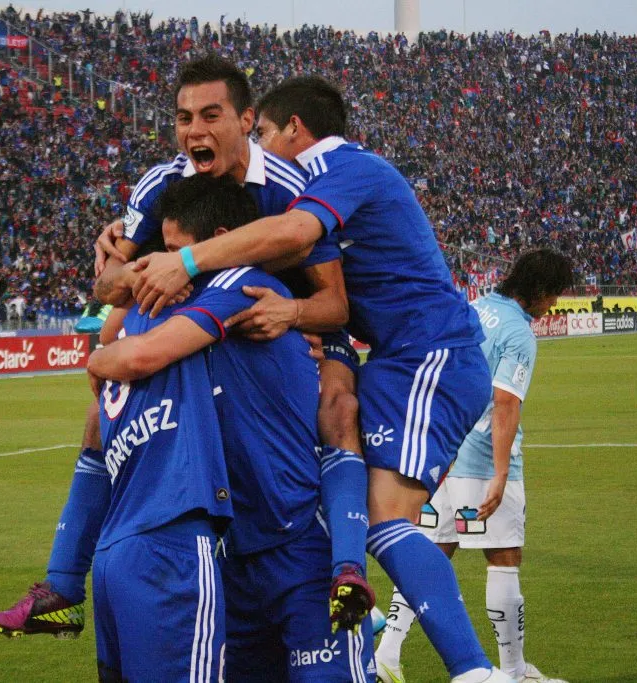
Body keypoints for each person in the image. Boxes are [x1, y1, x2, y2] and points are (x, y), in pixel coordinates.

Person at [119, 76, 506, 683]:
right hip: (396, 357)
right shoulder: (202, 184)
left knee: (383, 508)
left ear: (292, 129)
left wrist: (190, 262)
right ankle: (357, 595)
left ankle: (473, 670)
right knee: (347, 473)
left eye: (265, 133)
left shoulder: (341, 167)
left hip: (429, 350)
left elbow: (298, 237)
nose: (260, 147)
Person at [0, 56, 369, 638]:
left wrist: (287, 312)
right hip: (209, 317)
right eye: (184, 118)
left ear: (246, 120)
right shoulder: (162, 184)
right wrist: (156, 270)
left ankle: (348, 570)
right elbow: (107, 286)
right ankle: (62, 585)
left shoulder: (291, 189)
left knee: (339, 408)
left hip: (292, 321)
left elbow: (335, 305)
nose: (194, 131)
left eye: (211, 116)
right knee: (104, 412)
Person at [93, 174, 374, 681]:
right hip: (233, 555)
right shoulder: (190, 300)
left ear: (217, 242)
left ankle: (351, 568)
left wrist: (97, 361)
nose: (164, 267)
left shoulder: (236, 284)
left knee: (341, 415)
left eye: (175, 253)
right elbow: (115, 325)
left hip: (298, 543)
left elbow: (132, 354)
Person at [374, 249, 573, 683]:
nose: (554, 303)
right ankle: (514, 671)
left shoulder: (475, 308)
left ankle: (387, 654)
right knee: (503, 558)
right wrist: (500, 474)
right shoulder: (518, 332)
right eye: (554, 294)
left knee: (431, 552)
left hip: (438, 456)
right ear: (540, 289)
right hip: (481, 462)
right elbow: (505, 404)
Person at [86, 269, 231, 682]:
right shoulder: (205, 298)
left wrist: (97, 357)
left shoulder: (125, 326)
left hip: (114, 550)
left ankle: (60, 579)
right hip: (173, 540)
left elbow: (109, 325)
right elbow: (137, 355)